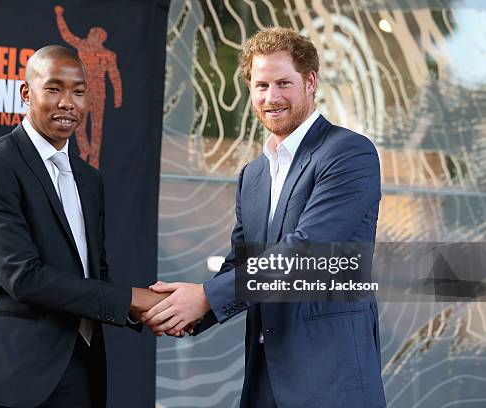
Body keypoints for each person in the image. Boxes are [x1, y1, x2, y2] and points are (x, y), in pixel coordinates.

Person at [143, 27, 386, 407]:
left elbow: (306, 253)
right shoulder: (253, 175)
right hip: (264, 379)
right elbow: (242, 264)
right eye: (260, 86)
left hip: (330, 379)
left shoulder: (348, 153)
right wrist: (182, 310)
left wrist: (205, 298)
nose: (271, 98)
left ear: (310, 82)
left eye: (283, 83)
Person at [0, 45, 165, 408]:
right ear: (26, 94)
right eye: (54, 89)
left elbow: (94, 276)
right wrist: (131, 299)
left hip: (79, 374)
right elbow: (22, 277)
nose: (68, 102)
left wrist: (150, 309)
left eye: (78, 92)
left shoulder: (88, 179)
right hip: (4, 380)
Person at [54, 5, 122, 169]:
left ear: (100, 38)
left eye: (95, 35)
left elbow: (114, 75)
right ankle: (85, 151)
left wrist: (118, 96)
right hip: (81, 94)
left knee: (96, 127)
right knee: (79, 125)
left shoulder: (107, 54)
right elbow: (67, 35)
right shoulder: (83, 46)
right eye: (92, 34)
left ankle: (94, 160)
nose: (92, 36)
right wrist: (59, 16)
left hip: (97, 95)